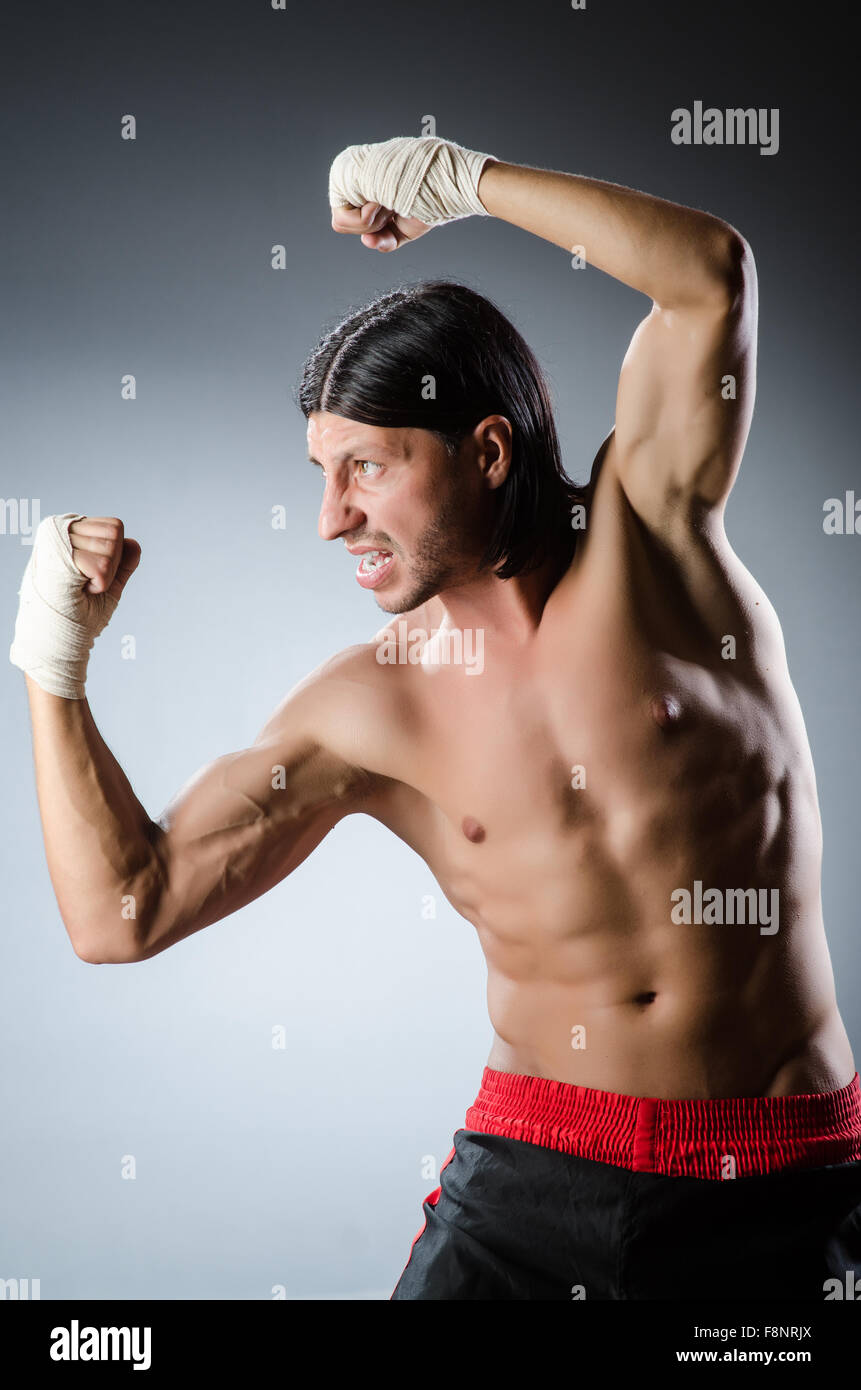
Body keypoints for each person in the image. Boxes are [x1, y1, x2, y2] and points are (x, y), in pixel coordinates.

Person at [10, 136, 861, 1300]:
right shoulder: (371, 704)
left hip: (780, 1184)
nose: (327, 518)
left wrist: (467, 183)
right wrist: (52, 658)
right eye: (321, 473)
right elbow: (123, 911)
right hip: (533, 1189)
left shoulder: (652, 537)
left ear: (489, 450)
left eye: (363, 469)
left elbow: (710, 275)